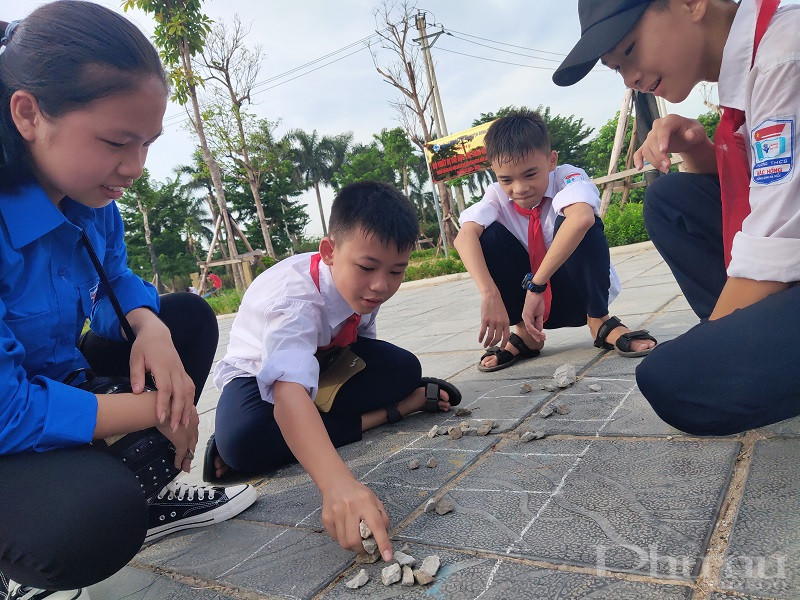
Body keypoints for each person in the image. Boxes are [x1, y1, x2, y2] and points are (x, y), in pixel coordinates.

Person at [0, 4, 256, 598]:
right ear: (28, 113)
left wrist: (151, 331)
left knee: (184, 319)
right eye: (117, 142)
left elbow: (114, 276)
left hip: (54, 382)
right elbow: (9, 412)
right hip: (11, 420)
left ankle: (148, 492)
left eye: (147, 144)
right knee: (92, 523)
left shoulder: (93, 203)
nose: (136, 167)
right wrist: (163, 410)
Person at [553, 0, 800, 435]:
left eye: (630, 50)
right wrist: (696, 148)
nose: (629, 78)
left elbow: (775, 241)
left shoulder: (783, 58)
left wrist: (709, 350)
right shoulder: (750, 70)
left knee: (675, 379)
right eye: (616, 68)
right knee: (670, 199)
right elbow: (756, 196)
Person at [207, 181, 462, 563]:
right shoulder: (294, 300)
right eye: (367, 268)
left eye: (397, 271)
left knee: (404, 369)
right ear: (329, 252)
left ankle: (310, 424)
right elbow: (288, 389)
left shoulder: (367, 285)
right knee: (242, 444)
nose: (381, 285)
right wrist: (338, 485)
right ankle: (395, 410)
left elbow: (361, 343)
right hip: (258, 373)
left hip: (327, 359)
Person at [454, 110, 657, 372]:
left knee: (580, 218)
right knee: (487, 235)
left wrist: (536, 286)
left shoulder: (567, 177)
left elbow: (582, 218)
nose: (519, 188)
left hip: (577, 295)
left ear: (551, 161)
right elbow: (464, 237)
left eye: (530, 174)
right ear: (494, 172)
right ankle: (525, 334)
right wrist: (489, 293)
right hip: (529, 311)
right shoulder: (495, 195)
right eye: (507, 179)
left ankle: (599, 321)